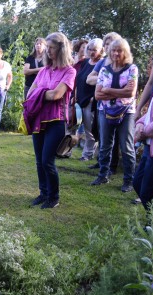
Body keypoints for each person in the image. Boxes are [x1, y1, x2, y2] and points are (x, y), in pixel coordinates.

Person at [26, 32, 76, 209]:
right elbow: (30, 93)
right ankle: (43, 193)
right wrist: (43, 93)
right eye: (46, 48)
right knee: (39, 160)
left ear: (61, 49)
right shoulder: (44, 70)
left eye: (52, 48)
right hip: (39, 118)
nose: (48, 52)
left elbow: (57, 94)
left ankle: (54, 197)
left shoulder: (70, 71)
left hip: (57, 120)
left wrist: (41, 92)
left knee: (47, 160)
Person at [90, 38, 138, 193]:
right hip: (105, 111)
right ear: (109, 52)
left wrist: (108, 90)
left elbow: (130, 93)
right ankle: (103, 175)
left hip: (126, 112)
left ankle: (129, 181)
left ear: (125, 52)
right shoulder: (104, 70)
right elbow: (97, 95)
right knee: (105, 144)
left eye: (120, 50)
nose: (116, 53)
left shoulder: (132, 69)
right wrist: (120, 92)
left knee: (127, 146)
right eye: (114, 50)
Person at [86, 32, 122, 173]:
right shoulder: (102, 62)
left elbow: (124, 85)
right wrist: (106, 81)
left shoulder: (123, 63)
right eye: (106, 44)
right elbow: (89, 79)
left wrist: (103, 83)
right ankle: (102, 162)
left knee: (114, 136)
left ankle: (112, 166)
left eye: (110, 44)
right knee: (100, 133)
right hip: (101, 103)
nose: (107, 47)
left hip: (117, 106)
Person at [133, 82, 153, 214]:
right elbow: (151, 112)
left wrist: (144, 132)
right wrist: (140, 123)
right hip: (149, 145)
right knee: (138, 183)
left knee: (148, 192)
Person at [76, 38, 104, 161]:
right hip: (80, 100)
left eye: (95, 50)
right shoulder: (85, 62)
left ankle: (87, 155)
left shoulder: (102, 64)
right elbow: (79, 80)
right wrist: (75, 96)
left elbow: (101, 83)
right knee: (77, 127)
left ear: (101, 51)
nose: (92, 52)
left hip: (91, 102)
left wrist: (93, 98)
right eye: (90, 49)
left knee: (89, 130)